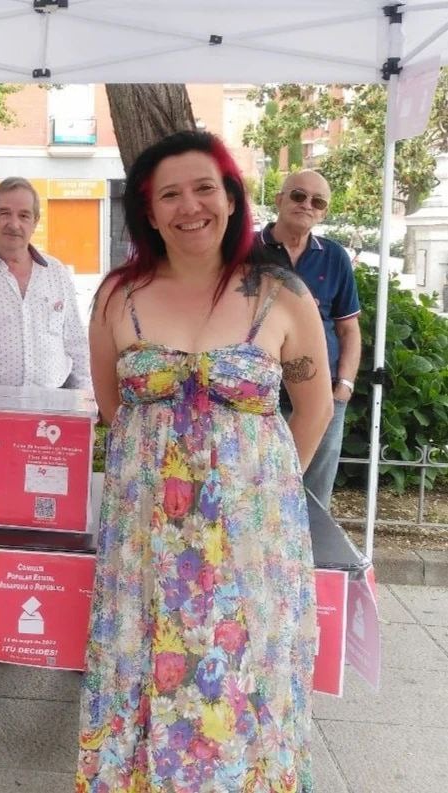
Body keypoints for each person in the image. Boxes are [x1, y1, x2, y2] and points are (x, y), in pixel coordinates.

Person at [77, 131, 333, 791]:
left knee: (244, 684)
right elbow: (116, 409)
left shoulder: (282, 294)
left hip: (251, 549)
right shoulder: (115, 296)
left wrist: (263, 496)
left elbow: (314, 409)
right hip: (146, 545)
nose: (189, 206)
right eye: (169, 193)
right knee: (142, 670)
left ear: (229, 196)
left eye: (203, 188)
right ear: (149, 210)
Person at [250, 169, 361, 509]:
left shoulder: (334, 257)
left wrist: (343, 387)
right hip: (255, 395)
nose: (307, 205)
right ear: (279, 199)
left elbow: (349, 328)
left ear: (324, 211)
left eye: (318, 201)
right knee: (254, 489)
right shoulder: (246, 250)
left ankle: (310, 560)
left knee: (313, 497)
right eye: (298, 195)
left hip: (321, 395)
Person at [0, 176, 90, 389]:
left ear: (35, 222)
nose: (14, 224)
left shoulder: (57, 272)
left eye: (24, 215)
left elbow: (77, 345)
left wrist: (85, 403)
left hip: (53, 410)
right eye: (4, 213)